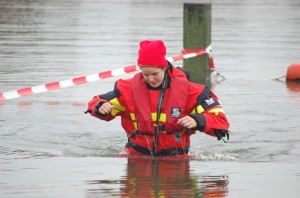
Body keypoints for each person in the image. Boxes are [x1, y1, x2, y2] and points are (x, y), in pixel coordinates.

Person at [86, 40, 230, 158]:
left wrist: (198, 120)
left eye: (155, 74)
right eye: (145, 74)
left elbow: (221, 123)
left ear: (165, 68)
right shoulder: (127, 90)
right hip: (137, 158)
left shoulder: (193, 92)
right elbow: (95, 102)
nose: (150, 79)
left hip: (176, 161)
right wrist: (100, 107)